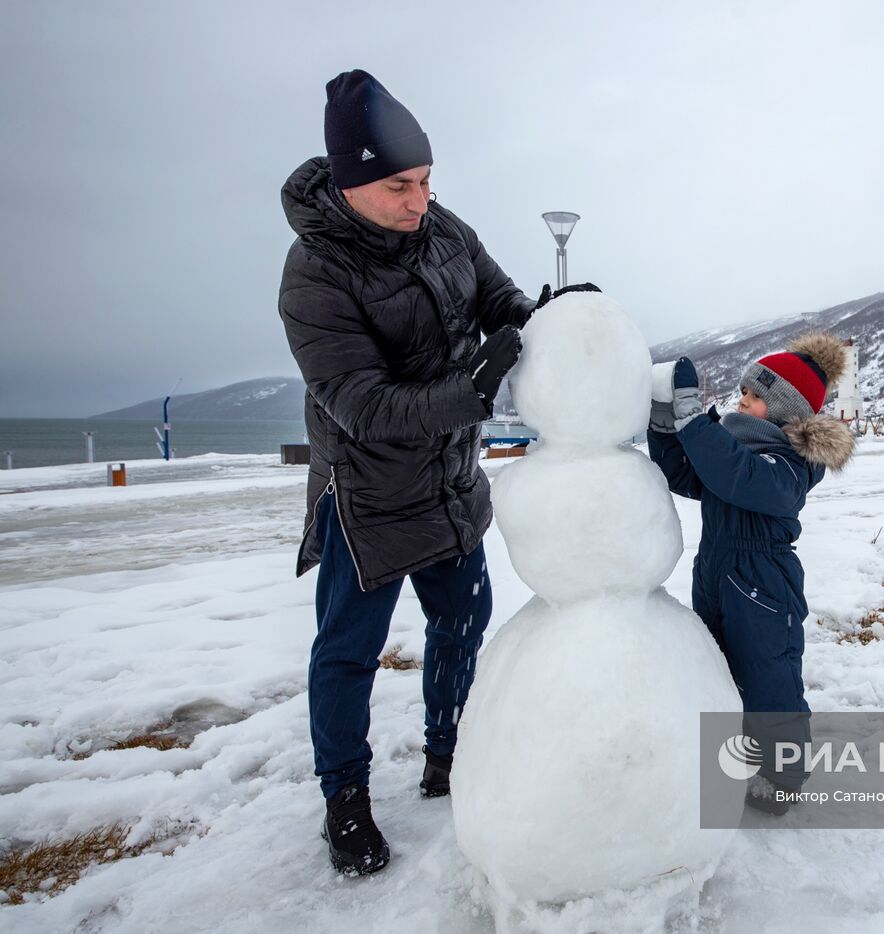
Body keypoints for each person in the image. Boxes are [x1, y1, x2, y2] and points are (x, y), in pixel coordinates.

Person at [278, 69, 595, 875]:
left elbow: (500, 303)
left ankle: (448, 754)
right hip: (368, 492)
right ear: (351, 182)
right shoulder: (314, 275)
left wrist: (550, 318)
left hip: (451, 479)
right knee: (348, 650)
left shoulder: (444, 228)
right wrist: (475, 389)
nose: (419, 200)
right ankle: (343, 796)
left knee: (462, 623)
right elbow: (364, 407)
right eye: (398, 185)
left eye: (425, 180)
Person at [647, 333, 854, 815]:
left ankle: (784, 774)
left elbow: (741, 478)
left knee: (769, 680)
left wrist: (696, 423)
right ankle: (738, 757)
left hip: (765, 584)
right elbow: (688, 475)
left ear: (787, 412)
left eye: (757, 396)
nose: (743, 400)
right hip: (717, 572)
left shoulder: (787, 464)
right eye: (744, 390)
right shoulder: (734, 448)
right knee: (721, 668)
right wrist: (665, 428)